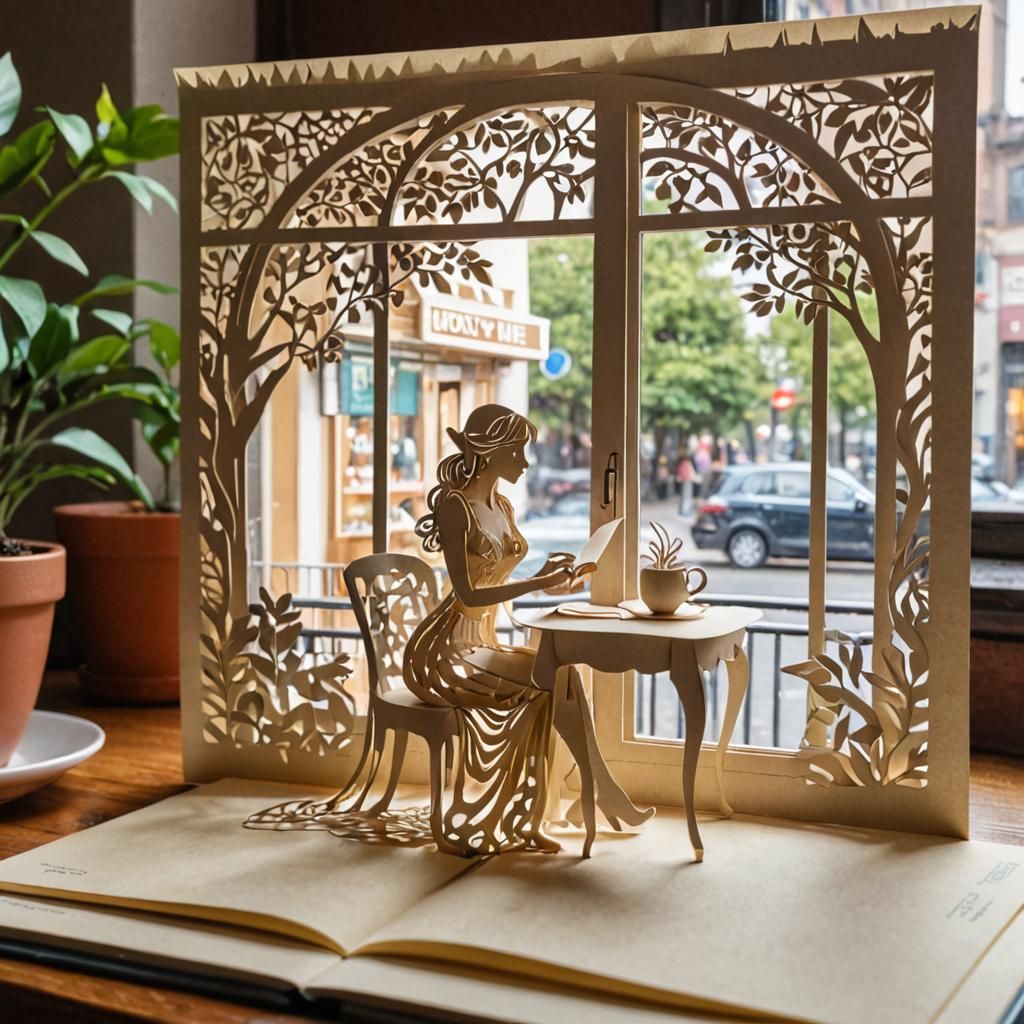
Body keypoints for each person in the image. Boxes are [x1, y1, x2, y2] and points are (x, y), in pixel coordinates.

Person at [405, 405, 651, 853]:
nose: (525, 462)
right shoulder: (456, 508)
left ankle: (544, 812)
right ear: (491, 451)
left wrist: (558, 576)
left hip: (484, 642)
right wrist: (540, 582)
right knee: (554, 680)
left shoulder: (501, 504)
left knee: (558, 680)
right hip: (449, 652)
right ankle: (587, 796)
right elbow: (469, 595)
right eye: (518, 452)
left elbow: (501, 578)